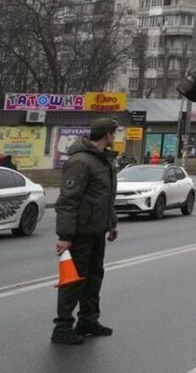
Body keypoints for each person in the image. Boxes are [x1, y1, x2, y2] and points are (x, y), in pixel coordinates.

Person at [51, 117, 119, 345]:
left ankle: (88, 320)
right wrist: (65, 236)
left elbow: (104, 198)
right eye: (114, 133)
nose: (115, 136)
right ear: (108, 134)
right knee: (73, 280)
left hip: (97, 230)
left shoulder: (103, 161)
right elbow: (68, 200)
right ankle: (62, 326)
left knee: (93, 277)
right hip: (79, 233)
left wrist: (111, 223)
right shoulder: (81, 161)